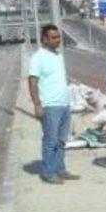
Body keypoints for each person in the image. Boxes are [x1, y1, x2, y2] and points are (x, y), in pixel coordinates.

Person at [27, 23, 80, 184]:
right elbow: (32, 81)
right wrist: (37, 105)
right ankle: (48, 172)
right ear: (44, 39)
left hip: (64, 104)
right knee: (51, 141)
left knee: (62, 140)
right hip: (49, 106)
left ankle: (60, 169)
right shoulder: (38, 58)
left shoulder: (58, 56)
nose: (58, 40)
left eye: (59, 37)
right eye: (54, 37)